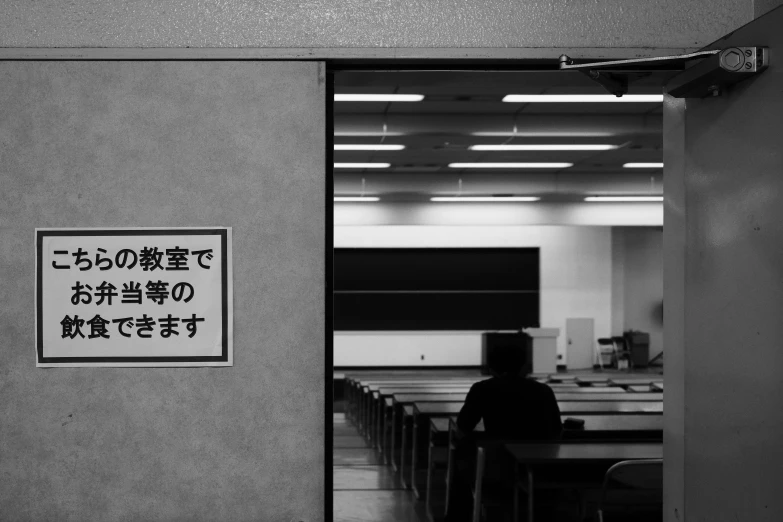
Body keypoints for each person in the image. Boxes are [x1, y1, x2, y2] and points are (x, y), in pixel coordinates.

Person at [445, 339, 563, 522]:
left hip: (497, 466)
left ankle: (457, 516)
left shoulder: (482, 389)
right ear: (524, 367)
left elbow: (463, 426)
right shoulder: (544, 390)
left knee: (460, 451)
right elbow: (557, 430)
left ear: (491, 368)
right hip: (537, 466)